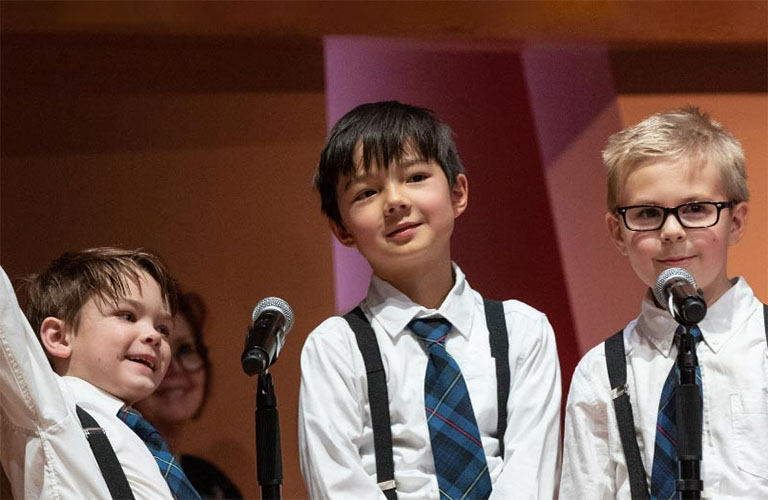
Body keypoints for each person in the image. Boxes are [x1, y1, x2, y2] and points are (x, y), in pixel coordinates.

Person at [298, 101, 562, 499]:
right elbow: (337, 485)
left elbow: (532, 476)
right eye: (367, 192)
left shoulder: (522, 331)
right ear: (341, 228)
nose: (395, 201)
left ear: (458, 192)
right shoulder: (334, 347)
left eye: (416, 176)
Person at [560, 107, 766, 498]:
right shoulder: (601, 371)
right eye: (648, 213)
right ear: (617, 232)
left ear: (735, 221)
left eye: (695, 209)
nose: (671, 231)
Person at [0, 247, 201, 499]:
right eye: (127, 316)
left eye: (163, 328)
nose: (154, 336)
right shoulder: (53, 407)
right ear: (59, 337)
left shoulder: (143, 443)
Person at [135, 291, 243, 499]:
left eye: (185, 350)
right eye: (156, 353)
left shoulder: (213, 483)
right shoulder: (113, 470)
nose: (174, 369)